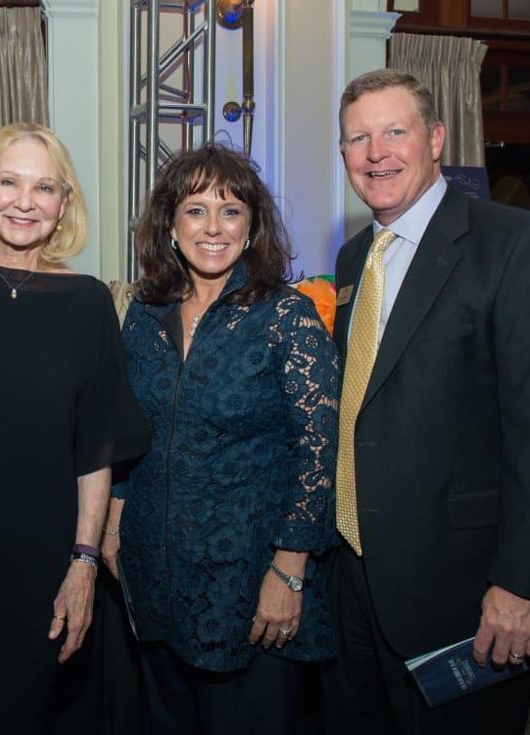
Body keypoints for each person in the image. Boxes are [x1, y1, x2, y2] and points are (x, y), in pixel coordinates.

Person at [322, 69, 530, 734]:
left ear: (437, 137)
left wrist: (524, 583)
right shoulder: (353, 256)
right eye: (358, 138)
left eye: (395, 131)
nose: (376, 151)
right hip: (353, 580)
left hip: (465, 591)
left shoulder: (519, 243)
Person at [0, 122, 148, 734]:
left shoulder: (89, 303)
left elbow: (97, 448)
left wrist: (84, 560)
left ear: (63, 204)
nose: (24, 201)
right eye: (9, 182)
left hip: (47, 563)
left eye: (44, 188)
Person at [103, 143, 340, 734]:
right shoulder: (145, 314)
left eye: (231, 211)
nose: (214, 227)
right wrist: (113, 523)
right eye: (196, 210)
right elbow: (131, 433)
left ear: (252, 226)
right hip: (155, 569)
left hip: (248, 581)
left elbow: (320, 455)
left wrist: (289, 572)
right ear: (169, 225)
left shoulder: (288, 317)